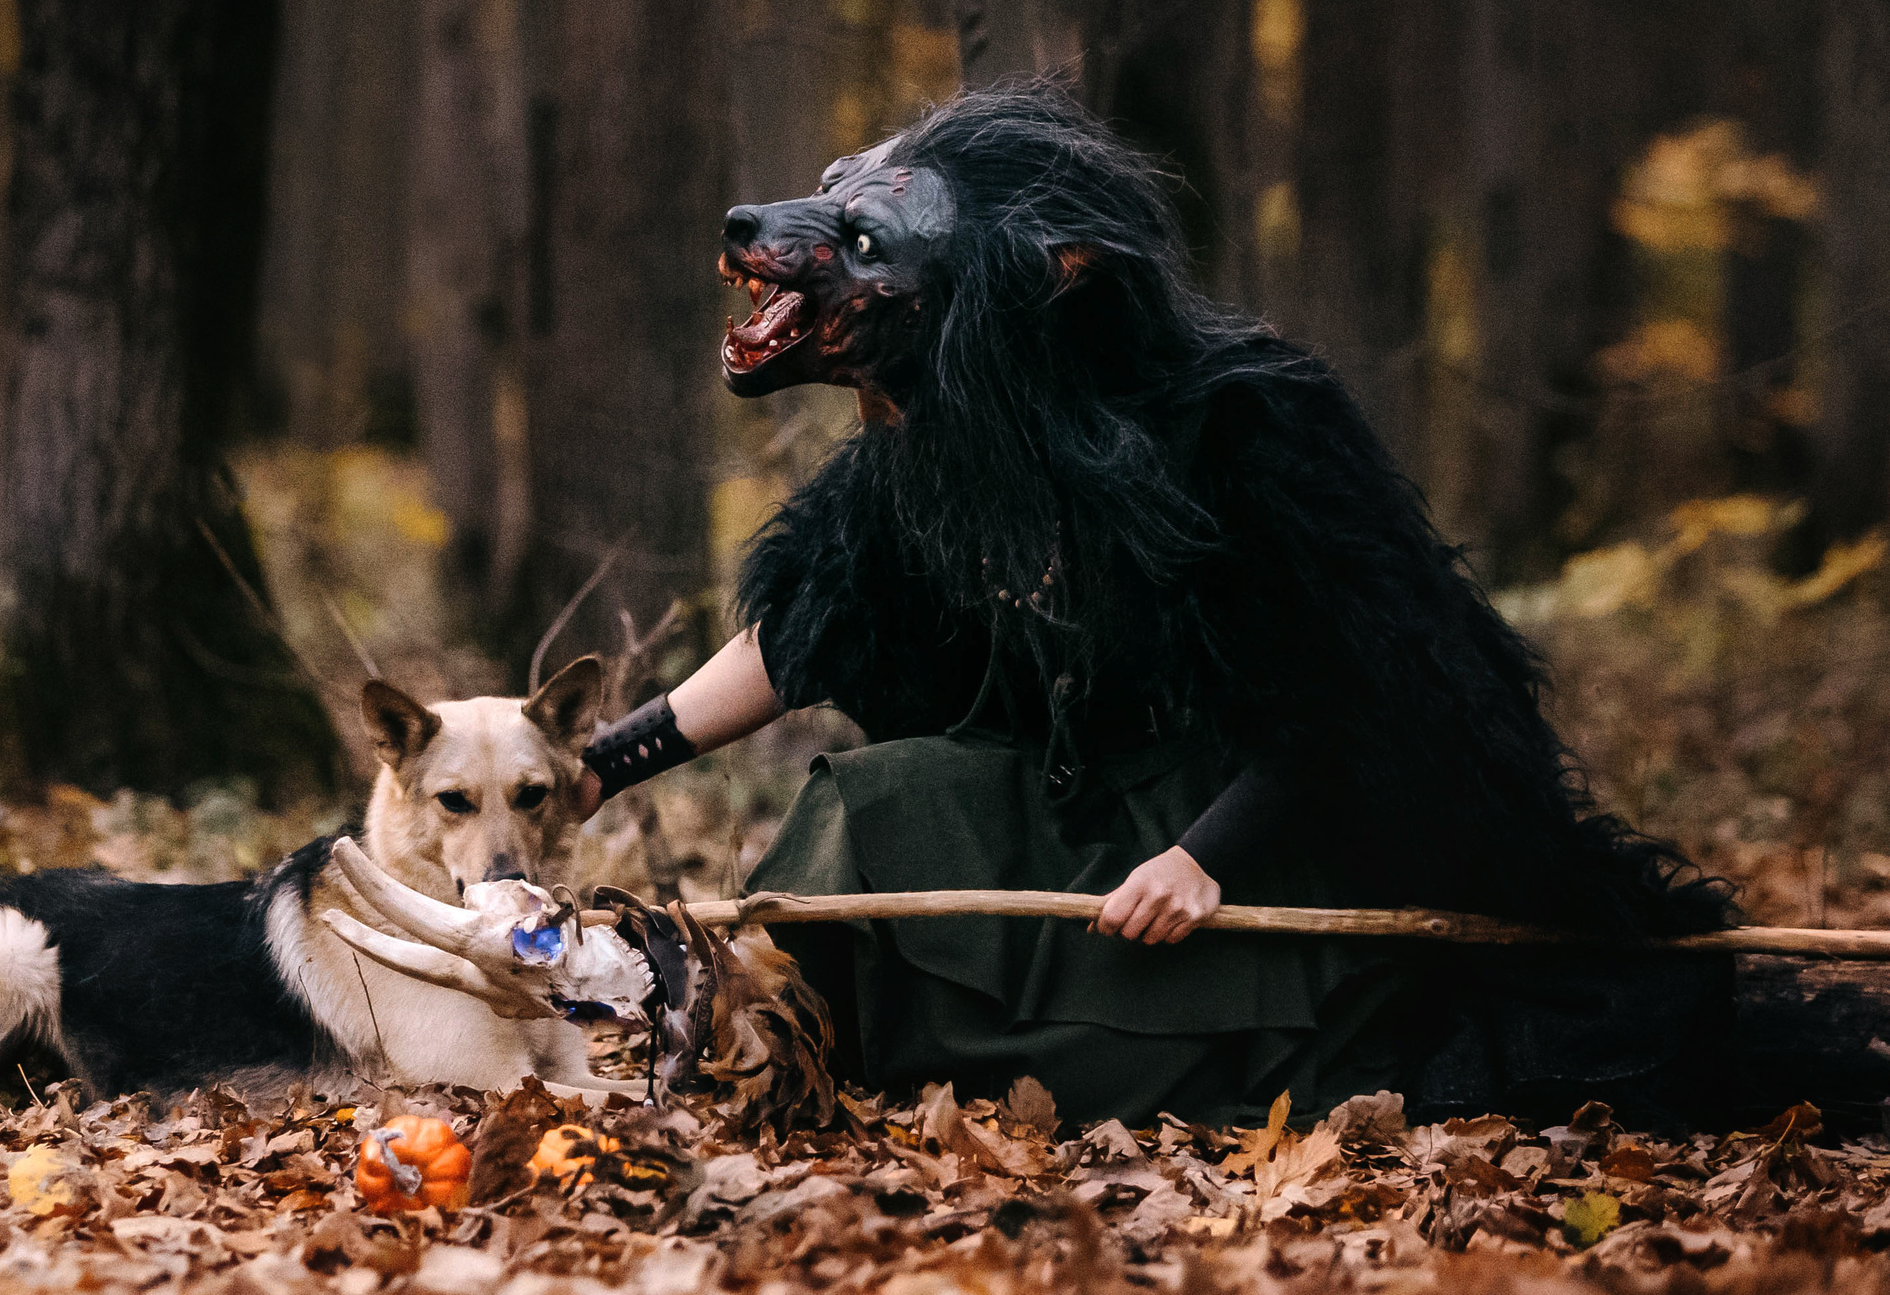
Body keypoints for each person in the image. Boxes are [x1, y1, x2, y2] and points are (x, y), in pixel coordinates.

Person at [575, 84, 1732, 1128]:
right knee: (860, 807)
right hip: (1079, 802)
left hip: (1262, 827)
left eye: (866, 240)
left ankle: (897, 1051)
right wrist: (600, 765)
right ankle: (767, 1041)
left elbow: (1361, 688)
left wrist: (1203, 858)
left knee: (1144, 1031)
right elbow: (808, 632)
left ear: (1040, 285)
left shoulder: (1242, 424)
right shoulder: (928, 445)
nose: (799, 231)